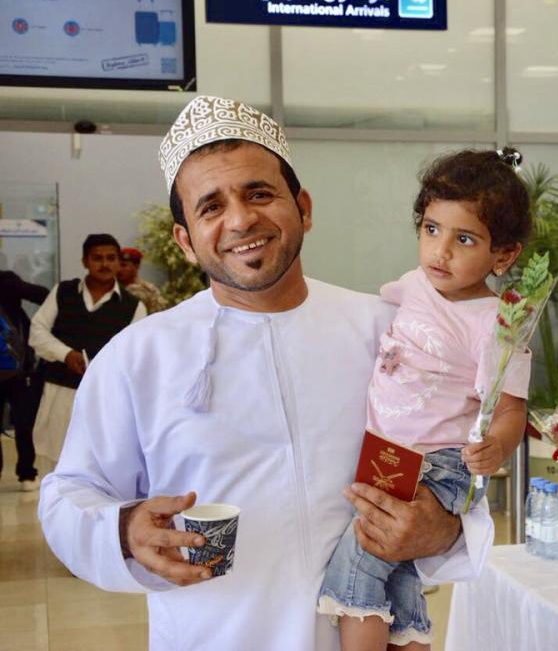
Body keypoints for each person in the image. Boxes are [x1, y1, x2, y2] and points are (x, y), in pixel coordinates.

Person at [37, 95, 492, 651]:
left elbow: (457, 463)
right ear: (185, 241)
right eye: (211, 207)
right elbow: (70, 494)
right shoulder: (138, 357)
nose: (240, 219)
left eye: (259, 194)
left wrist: (442, 528)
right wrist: (126, 529)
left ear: (303, 208)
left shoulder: (391, 333)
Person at [318, 148, 532, 649]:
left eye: (464, 239)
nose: (441, 251)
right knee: (399, 579)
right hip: (389, 455)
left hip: (436, 464)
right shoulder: (412, 285)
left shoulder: (498, 324)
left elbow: (511, 409)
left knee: (359, 562)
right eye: (432, 230)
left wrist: (497, 447)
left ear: (503, 256)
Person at [29, 234, 146, 462]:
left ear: (118, 262)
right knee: (55, 462)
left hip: (106, 398)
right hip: (60, 392)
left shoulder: (133, 306)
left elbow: (137, 355)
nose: (105, 264)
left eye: (111, 258)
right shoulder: (63, 292)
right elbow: (37, 332)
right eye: (97, 258)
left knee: (101, 463)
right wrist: (65, 354)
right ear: (85, 261)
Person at [0, 270, 49, 490]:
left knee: (23, 423)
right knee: (24, 423)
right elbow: (43, 295)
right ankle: (27, 474)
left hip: (17, 368)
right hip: (19, 371)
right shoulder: (8, 284)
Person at [118, 247, 168, 313]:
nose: (119, 269)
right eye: (117, 265)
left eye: (124, 265)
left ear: (136, 266)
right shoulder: (110, 288)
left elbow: (158, 313)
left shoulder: (149, 290)